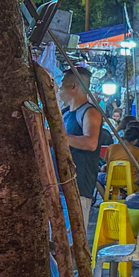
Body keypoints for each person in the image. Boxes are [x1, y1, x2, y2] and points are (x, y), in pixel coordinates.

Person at [57, 67, 103, 229]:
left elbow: (91, 143)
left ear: (73, 86)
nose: (59, 89)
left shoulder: (89, 112)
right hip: (58, 185)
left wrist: (55, 136)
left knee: (73, 239)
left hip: (78, 186)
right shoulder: (64, 113)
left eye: (62, 85)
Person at [98, 123, 139, 190]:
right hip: (131, 179)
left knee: (96, 179)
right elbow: (137, 168)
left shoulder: (111, 147)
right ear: (136, 141)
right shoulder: (138, 151)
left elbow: (108, 162)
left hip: (110, 179)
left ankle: (106, 196)